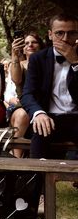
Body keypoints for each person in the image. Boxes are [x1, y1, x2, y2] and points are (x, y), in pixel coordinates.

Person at [21, 13, 78, 158]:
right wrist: (38, 113)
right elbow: (27, 94)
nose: (65, 39)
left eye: (71, 33)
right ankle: (37, 178)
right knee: (39, 138)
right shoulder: (37, 59)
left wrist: (75, 63)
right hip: (49, 118)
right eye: (60, 33)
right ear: (50, 35)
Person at [3, 33, 44, 157]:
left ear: (40, 46)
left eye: (34, 42)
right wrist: (14, 54)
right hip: (21, 106)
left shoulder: (47, 63)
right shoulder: (19, 64)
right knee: (22, 114)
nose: (30, 45)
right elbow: (17, 80)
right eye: (26, 43)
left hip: (42, 104)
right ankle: (16, 158)